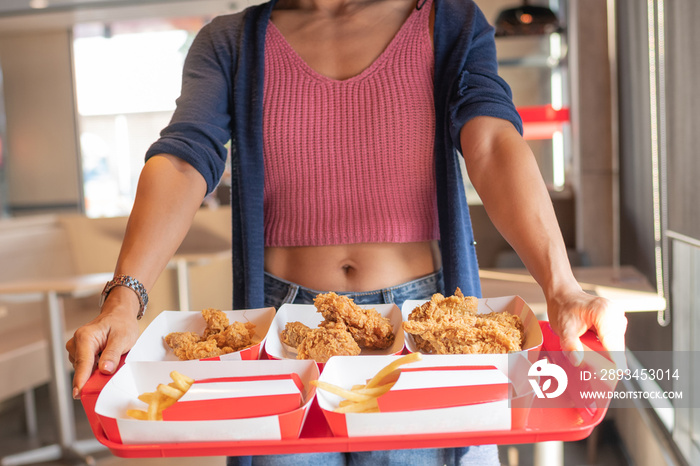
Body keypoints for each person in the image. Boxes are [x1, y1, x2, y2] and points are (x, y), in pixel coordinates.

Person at [66, 0, 628, 464]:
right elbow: (186, 158)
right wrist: (124, 301)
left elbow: (492, 141)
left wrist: (563, 288)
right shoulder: (231, 42)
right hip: (284, 335)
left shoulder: (449, 23)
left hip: (426, 328)